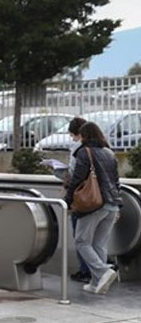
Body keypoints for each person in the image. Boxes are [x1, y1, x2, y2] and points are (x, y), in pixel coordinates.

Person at [64, 121, 121, 295]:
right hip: (111, 204)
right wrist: (119, 205)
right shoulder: (109, 152)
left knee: (82, 241)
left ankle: (103, 271)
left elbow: (78, 177)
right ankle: (97, 283)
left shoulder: (83, 152)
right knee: (99, 244)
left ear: (84, 136)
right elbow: (116, 181)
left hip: (93, 203)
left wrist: (68, 198)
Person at [62, 117, 92, 283]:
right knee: (95, 239)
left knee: (80, 237)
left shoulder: (78, 149)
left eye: (72, 135)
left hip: (82, 198)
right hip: (99, 199)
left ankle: (88, 270)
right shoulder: (104, 148)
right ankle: (102, 267)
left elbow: (75, 174)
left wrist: (68, 196)